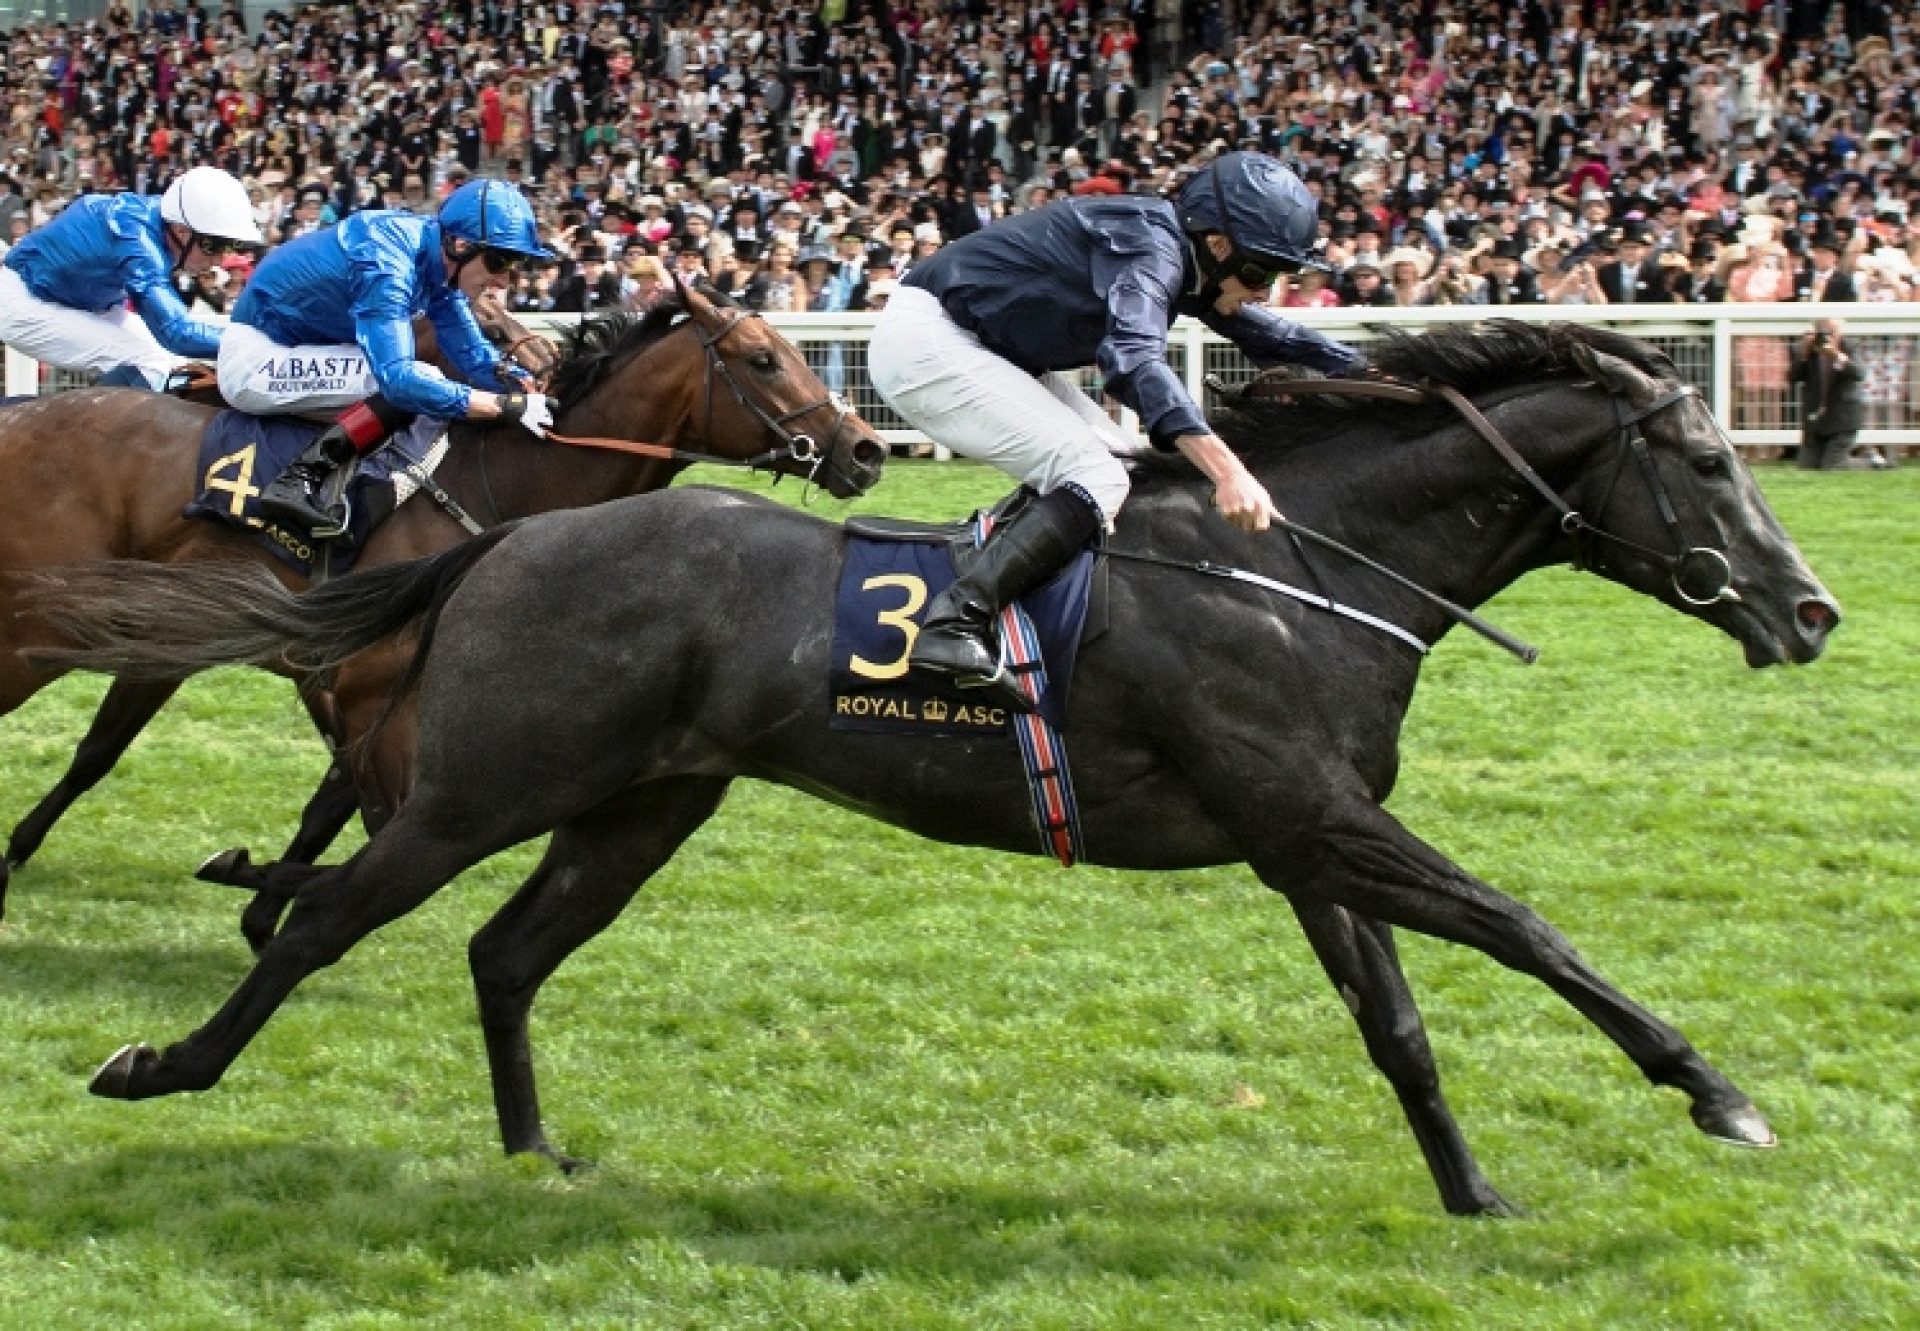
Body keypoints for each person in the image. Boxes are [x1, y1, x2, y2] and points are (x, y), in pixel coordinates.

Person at [866, 150, 1366, 710]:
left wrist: (1362, 367)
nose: (1264, 289)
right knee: (1094, 475)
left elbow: (1262, 331)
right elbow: (1131, 358)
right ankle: (954, 625)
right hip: (931, 342)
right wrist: (1228, 471)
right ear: (1219, 245)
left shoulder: (1179, 248)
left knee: (1129, 470)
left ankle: (1041, 617)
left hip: (978, 344)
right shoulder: (1151, 245)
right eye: (1259, 272)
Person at [219, 179, 556, 539]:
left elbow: (474, 357)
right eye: (499, 261)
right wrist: (502, 406)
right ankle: (298, 479)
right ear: (460, 244)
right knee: (417, 377)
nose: (505, 280)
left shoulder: (439, 268)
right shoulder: (386, 258)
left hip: (299, 348)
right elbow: (398, 379)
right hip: (256, 357)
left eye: (515, 263)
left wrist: (524, 384)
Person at [0, 166, 262, 389]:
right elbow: (177, 333)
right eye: (212, 246)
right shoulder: (138, 242)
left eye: (227, 247)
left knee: (173, 363)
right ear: (182, 232)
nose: (218, 260)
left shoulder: (163, 220)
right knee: (149, 362)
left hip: (77, 299)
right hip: (25, 300)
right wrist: (261, 346)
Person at [1789, 318, 1876, 470]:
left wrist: (1836, 355)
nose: (1827, 336)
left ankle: (1872, 462)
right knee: (1806, 467)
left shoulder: (1850, 346)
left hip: (1843, 420)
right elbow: (1793, 378)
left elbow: (1859, 374)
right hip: (1816, 423)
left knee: (1833, 466)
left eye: (1832, 331)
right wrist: (1803, 355)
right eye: (1823, 332)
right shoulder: (1805, 349)